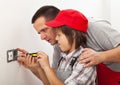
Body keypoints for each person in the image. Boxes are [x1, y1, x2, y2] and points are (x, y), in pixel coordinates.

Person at [17, 5, 120, 84]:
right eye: (40, 33)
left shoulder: (95, 27)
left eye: (44, 30)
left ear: (58, 24)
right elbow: (54, 79)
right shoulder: (59, 47)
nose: (42, 37)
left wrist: (101, 56)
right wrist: (37, 68)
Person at [37, 9, 96, 85]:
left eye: (59, 35)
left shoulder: (84, 61)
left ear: (73, 34)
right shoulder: (64, 57)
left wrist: (47, 68)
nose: (56, 38)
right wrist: (38, 68)